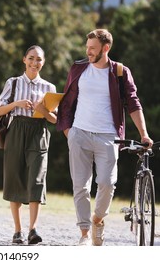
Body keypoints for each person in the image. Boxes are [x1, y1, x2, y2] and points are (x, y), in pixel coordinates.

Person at [56, 29, 153, 246]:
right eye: (87, 47)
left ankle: (97, 219)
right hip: (79, 133)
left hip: (108, 137)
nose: (88, 52)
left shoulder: (119, 72)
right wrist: (68, 131)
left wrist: (144, 134)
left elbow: (133, 104)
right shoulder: (78, 68)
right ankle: (84, 233)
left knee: (107, 184)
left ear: (105, 48)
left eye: (93, 48)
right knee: (80, 185)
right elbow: (66, 101)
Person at [0, 45, 57, 245]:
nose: (34, 63)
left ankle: (33, 230)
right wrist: (17, 104)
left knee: (37, 179)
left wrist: (42, 109)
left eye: (38, 59)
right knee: (15, 177)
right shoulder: (13, 83)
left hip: (39, 132)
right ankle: (17, 231)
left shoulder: (49, 88)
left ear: (43, 62)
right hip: (16, 131)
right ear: (24, 59)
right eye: (31, 58)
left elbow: (55, 120)